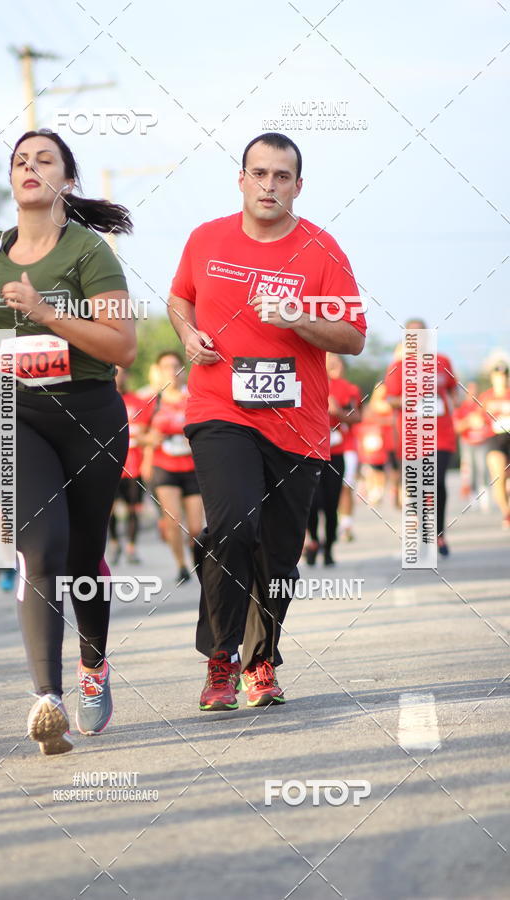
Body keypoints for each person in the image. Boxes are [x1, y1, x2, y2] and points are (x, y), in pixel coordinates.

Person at [0, 128, 136, 754]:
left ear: (67, 180)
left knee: (83, 556)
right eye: (20, 160)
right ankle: (48, 700)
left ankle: (93, 666)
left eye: (45, 160)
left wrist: (47, 313)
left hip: (89, 414)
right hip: (11, 412)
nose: (30, 167)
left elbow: (122, 347)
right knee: (40, 548)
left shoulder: (89, 252)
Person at [167, 131, 366, 711]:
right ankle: (220, 657)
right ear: (241, 179)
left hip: (297, 424)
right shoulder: (206, 239)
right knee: (232, 525)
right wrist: (187, 335)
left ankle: (261, 660)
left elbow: (353, 336)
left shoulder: (322, 250)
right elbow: (179, 299)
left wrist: (296, 317)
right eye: (259, 173)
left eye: (282, 176)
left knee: (278, 555)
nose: (269, 185)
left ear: (298, 186)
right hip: (220, 409)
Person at [385, 318, 459, 557]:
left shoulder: (443, 361)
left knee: (436, 481)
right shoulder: (398, 366)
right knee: (417, 486)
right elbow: (389, 398)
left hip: (441, 433)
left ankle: (439, 533)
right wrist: (407, 400)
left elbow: (453, 388)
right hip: (412, 436)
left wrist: (453, 402)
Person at [141, 350, 204, 583]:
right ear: (159, 372)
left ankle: (197, 561)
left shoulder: (194, 398)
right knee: (174, 521)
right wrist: (151, 439)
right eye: (166, 367)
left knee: (196, 528)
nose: (172, 372)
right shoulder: (152, 402)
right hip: (164, 467)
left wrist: (195, 438)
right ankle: (180, 565)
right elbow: (137, 434)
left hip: (192, 468)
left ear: (183, 370)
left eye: (176, 366)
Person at [306, 353, 362, 565]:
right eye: (328, 360)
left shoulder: (348, 388)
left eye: (336, 360)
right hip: (310, 452)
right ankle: (313, 540)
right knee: (312, 503)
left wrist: (338, 412)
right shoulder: (306, 381)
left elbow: (357, 416)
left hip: (336, 452)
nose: (332, 364)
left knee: (331, 504)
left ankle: (329, 547)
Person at [108, 366, 151, 564]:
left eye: (122, 372)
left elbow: (143, 432)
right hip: (109, 466)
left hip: (133, 465)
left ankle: (131, 547)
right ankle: (114, 543)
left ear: (128, 375)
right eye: (115, 371)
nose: (119, 376)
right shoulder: (103, 401)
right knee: (109, 509)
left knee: (133, 508)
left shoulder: (137, 401)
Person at [478, 363, 510, 528]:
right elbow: (478, 418)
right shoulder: (486, 397)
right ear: (492, 378)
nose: (501, 380)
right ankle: (506, 512)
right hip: (495, 438)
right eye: (498, 377)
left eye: (504, 376)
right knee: (498, 474)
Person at [356, 383, 396, 506]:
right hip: (376, 441)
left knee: (392, 467)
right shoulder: (371, 407)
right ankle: (375, 491)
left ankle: (392, 491)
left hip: (392, 439)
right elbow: (365, 420)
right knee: (374, 467)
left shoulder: (392, 405)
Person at [453, 380, 490, 510]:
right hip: (468, 442)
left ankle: (484, 495)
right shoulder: (462, 408)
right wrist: (469, 421)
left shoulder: (483, 406)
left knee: (483, 468)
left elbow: (489, 423)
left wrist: (481, 422)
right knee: (470, 470)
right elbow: (457, 427)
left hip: (482, 441)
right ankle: (473, 495)